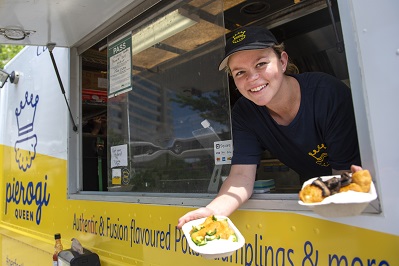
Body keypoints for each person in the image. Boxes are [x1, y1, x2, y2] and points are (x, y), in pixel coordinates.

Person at [177, 26, 362, 229]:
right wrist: (213, 213)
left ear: (282, 62)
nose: (252, 78)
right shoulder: (244, 113)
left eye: (261, 64)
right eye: (240, 72)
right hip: (315, 203)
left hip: (360, 201)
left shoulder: (326, 93)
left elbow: (345, 174)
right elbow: (241, 176)